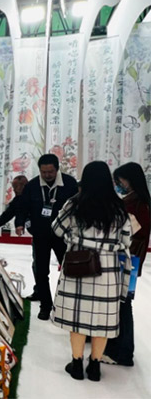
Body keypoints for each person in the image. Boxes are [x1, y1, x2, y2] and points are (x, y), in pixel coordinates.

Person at [51, 161, 131, 382]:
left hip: (79, 265)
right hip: (107, 269)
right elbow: (127, 239)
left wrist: (75, 237)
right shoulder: (119, 207)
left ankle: (77, 363)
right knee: (102, 318)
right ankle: (94, 366)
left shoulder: (74, 203)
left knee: (78, 316)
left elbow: (56, 229)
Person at [15, 154, 78, 320]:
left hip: (63, 236)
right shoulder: (32, 186)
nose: (47, 175)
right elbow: (23, 207)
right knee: (41, 271)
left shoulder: (69, 184)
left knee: (68, 271)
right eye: (43, 172)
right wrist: (20, 223)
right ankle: (45, 306)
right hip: (40, 234)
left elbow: (77, 208)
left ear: (57, 169)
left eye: (50, 172)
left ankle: (67, 306)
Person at [102, 162, 151, 366]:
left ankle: (122, 352)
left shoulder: (137, 204)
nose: (118, 184)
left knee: (123, 305)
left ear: (129, 180)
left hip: (128, 260)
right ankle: (118, 349)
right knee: (121, 304)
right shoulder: (134, 201)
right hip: (129, 259)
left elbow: (134, 232)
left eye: (120, 180)